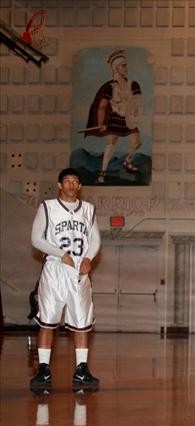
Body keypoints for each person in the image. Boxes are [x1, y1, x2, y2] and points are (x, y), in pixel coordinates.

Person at [30, 168, 101, 390]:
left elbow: (95, 240)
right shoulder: (47, 207)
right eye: (67, 181)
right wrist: (61, 254)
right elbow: (36, 239)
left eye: (75, 181)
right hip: (55, 268)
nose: (71, 185)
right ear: (59, 185)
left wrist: (89, 257)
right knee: (47, 321)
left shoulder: (88, 209)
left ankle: (81, 370)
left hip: (79, 271)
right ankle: (43, 369)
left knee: (82, 323)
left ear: (80, 186)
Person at [84, 49, 142, 184]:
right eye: (123, 65)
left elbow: (138, 103)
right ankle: (103, 172)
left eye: (126, 65)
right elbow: (102, 107)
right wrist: (101, 123)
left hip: (128, 119)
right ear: (116, 68)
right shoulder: (110, 87)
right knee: (110, 146)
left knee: (137, 142)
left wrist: (135, 114)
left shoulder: (133, 84)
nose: (126, 68)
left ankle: (127, 162)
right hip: (115, 119)